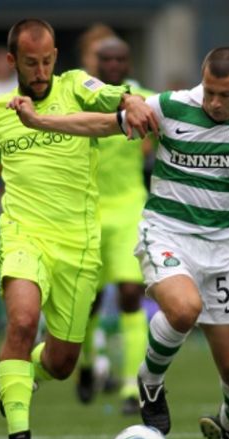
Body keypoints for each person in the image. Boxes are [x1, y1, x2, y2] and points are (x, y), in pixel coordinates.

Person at [9, 46, 229, 439]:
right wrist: (40, 120)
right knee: (183, 309)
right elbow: (99, 125)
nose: (213, 102)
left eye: (224, 95)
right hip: (166, 232)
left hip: (224, 250)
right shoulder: (171, 107)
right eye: (208, 91)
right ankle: (149, 382)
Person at [0, 19, 157, 439]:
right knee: (22, 321)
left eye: (48, 60)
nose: (41, 70)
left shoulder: (76, 85)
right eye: (31, 62)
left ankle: (19, 376)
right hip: (22, 233)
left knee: (61, 362)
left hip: (78, 243)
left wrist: (130, 99)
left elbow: (114, 101)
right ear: (13, 61)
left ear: (57, 55)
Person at [73, 37, 155, 415]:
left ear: (128, 62)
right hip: (87, 211)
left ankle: (129, 386)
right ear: (95, 63)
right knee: (87, 303)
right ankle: (88, 363)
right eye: (106, 60)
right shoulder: (79, 99)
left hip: (128, 209)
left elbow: (168, 138)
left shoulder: (146, 100)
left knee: (128, 294)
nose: (113, 66)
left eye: (120, 59)